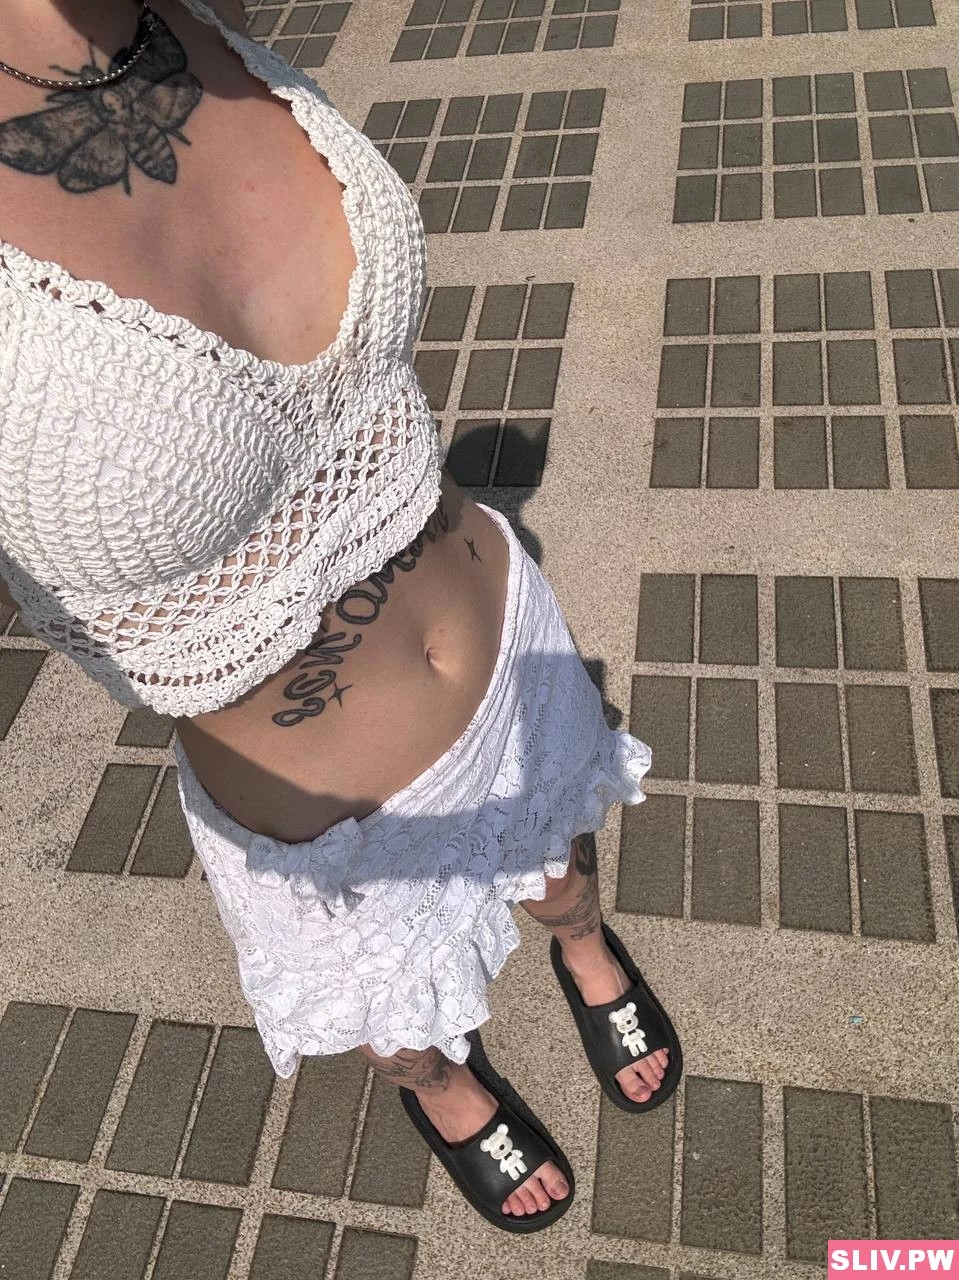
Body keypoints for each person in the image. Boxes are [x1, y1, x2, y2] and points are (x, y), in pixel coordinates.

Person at [0, 0, 681, 1231]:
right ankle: (448, 1088)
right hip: (327, 817)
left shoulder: (179, 17)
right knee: (397, 1020)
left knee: (563, 867)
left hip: (504, 639)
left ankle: (585, 948)